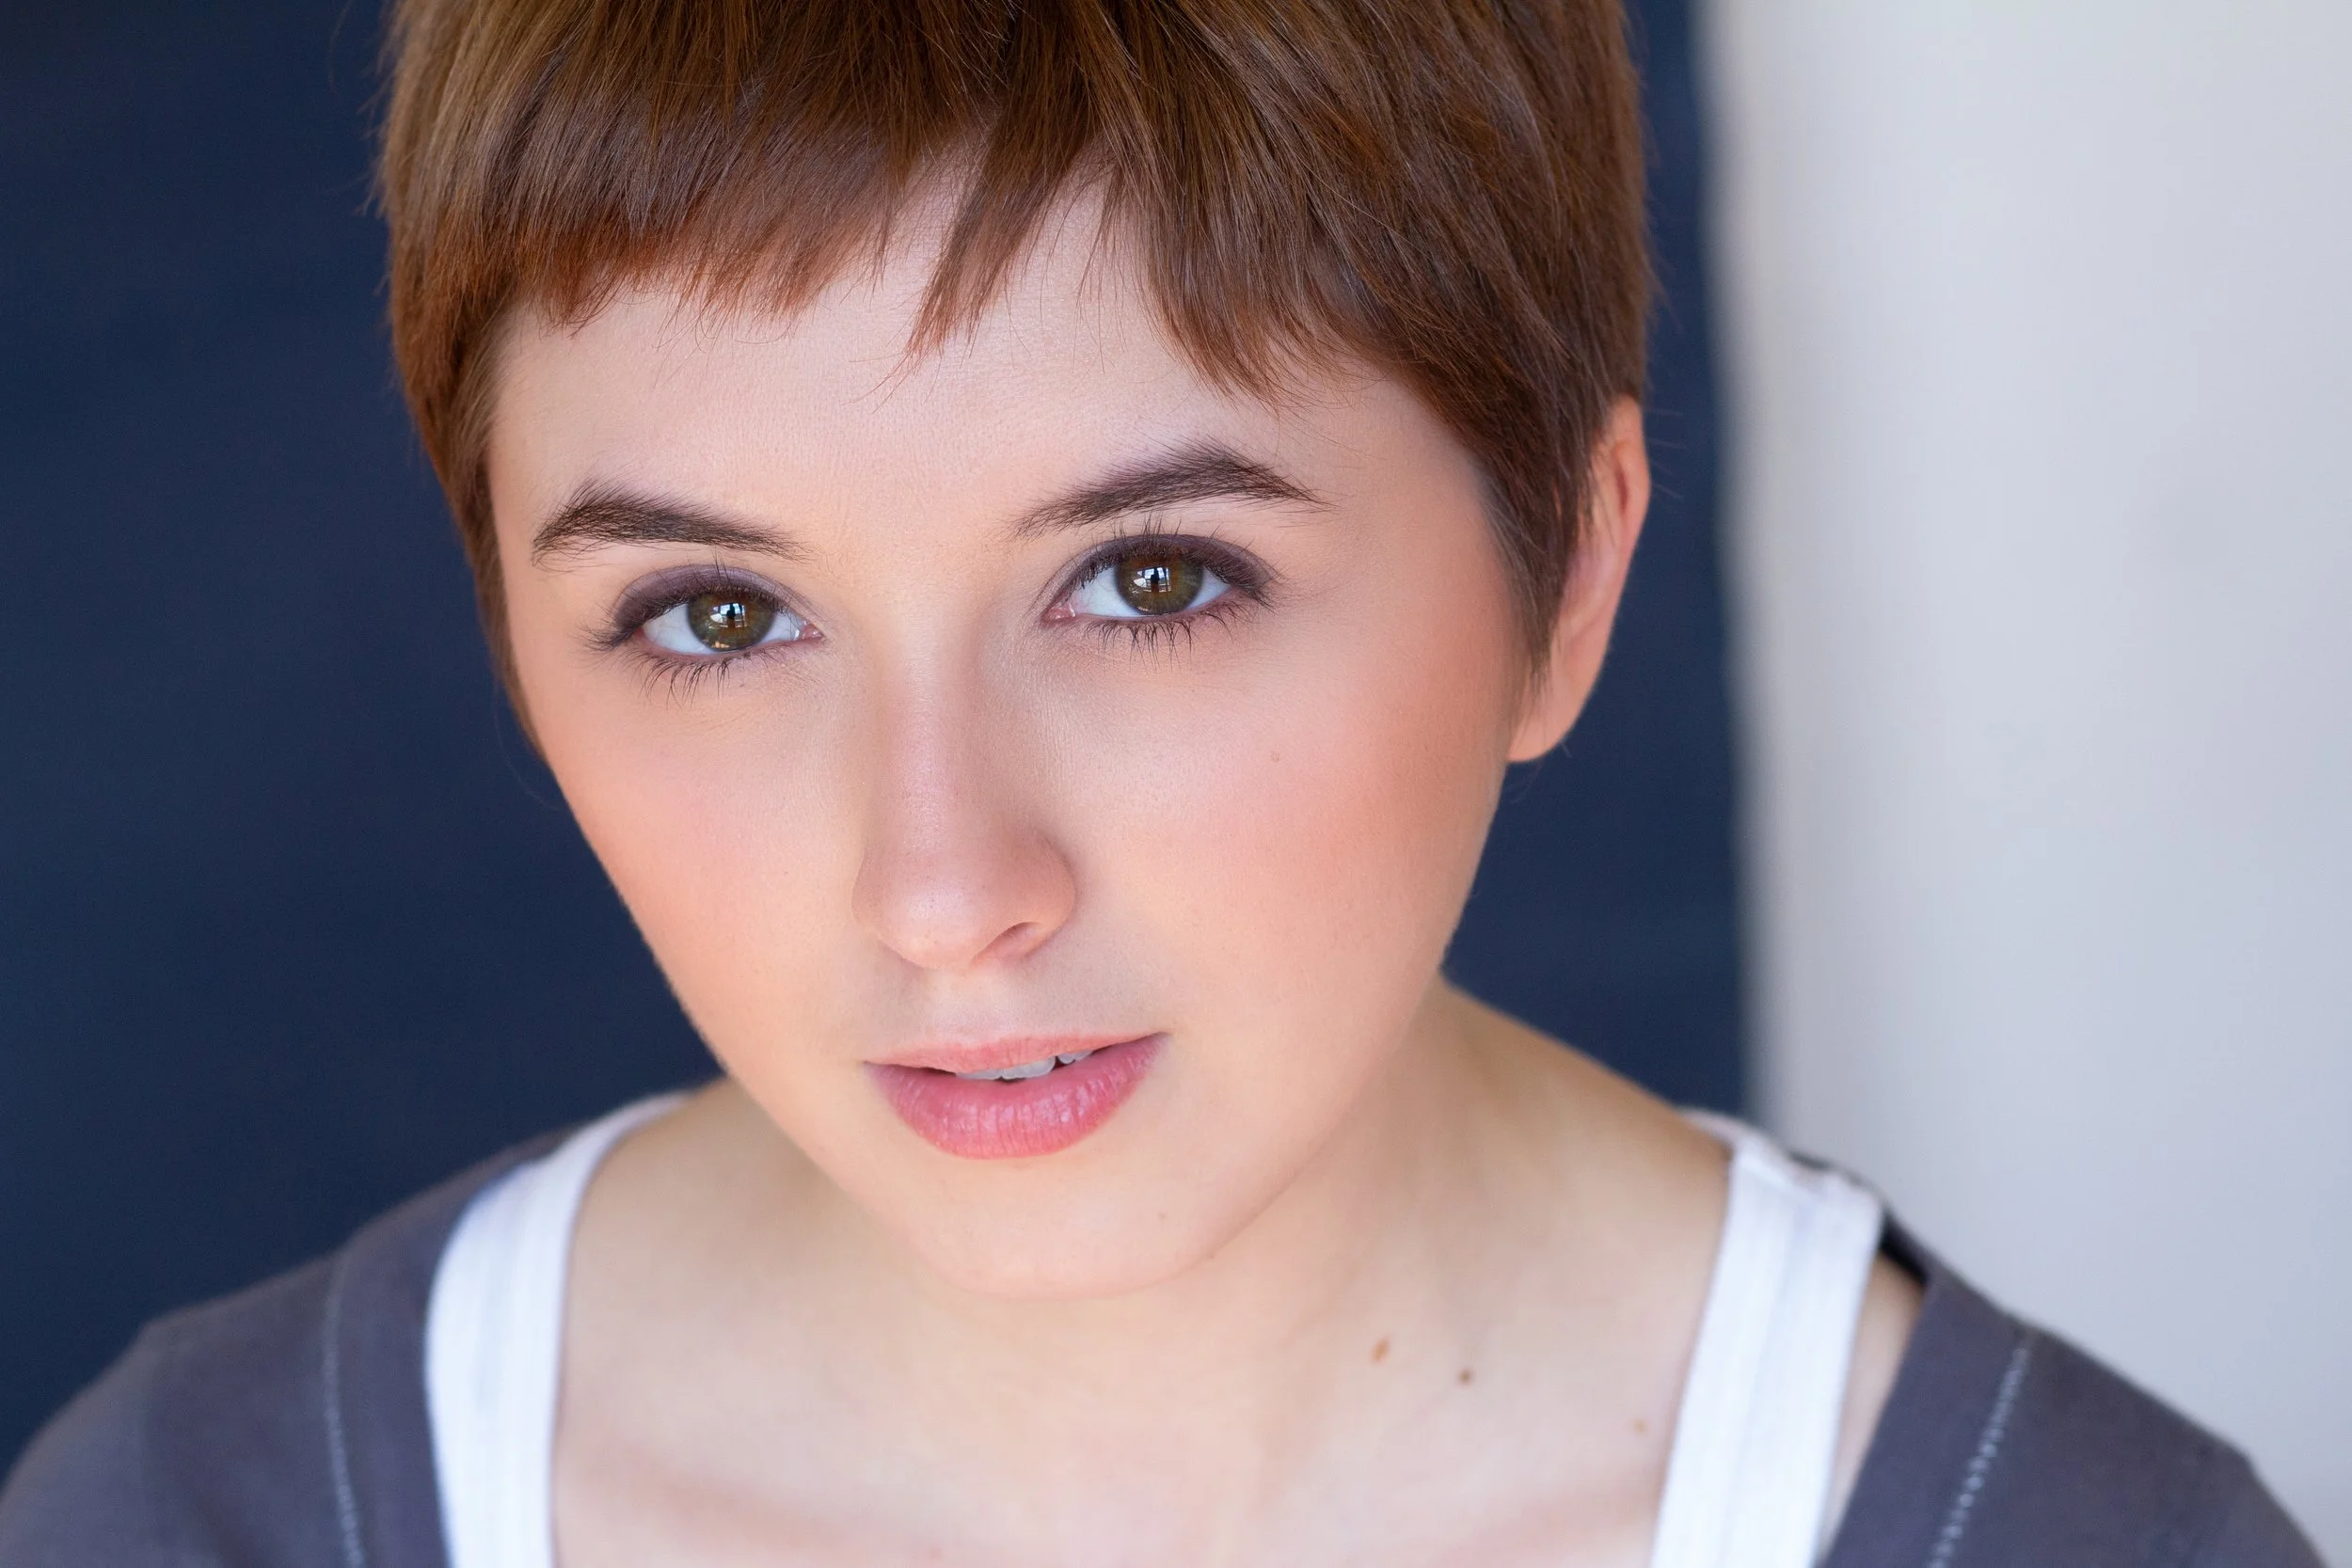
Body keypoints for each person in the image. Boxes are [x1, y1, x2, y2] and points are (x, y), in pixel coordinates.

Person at [0, 1, 2322, 1564]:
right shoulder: (199, 1520)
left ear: (1570, 575)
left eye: (1149, 580)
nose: (941, 885)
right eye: (714, 615)